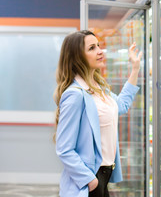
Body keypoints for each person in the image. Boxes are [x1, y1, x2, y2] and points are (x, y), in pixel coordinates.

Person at [54, 30, 142, 197]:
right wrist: (90, 180)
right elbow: (64, 149)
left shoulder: (98, 88)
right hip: (89, 181)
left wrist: (135, 68)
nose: (100, 51)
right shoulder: (75, 94)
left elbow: (122, 105)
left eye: (99, 46)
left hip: (103, 176)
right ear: (77, 57)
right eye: (92, 48)